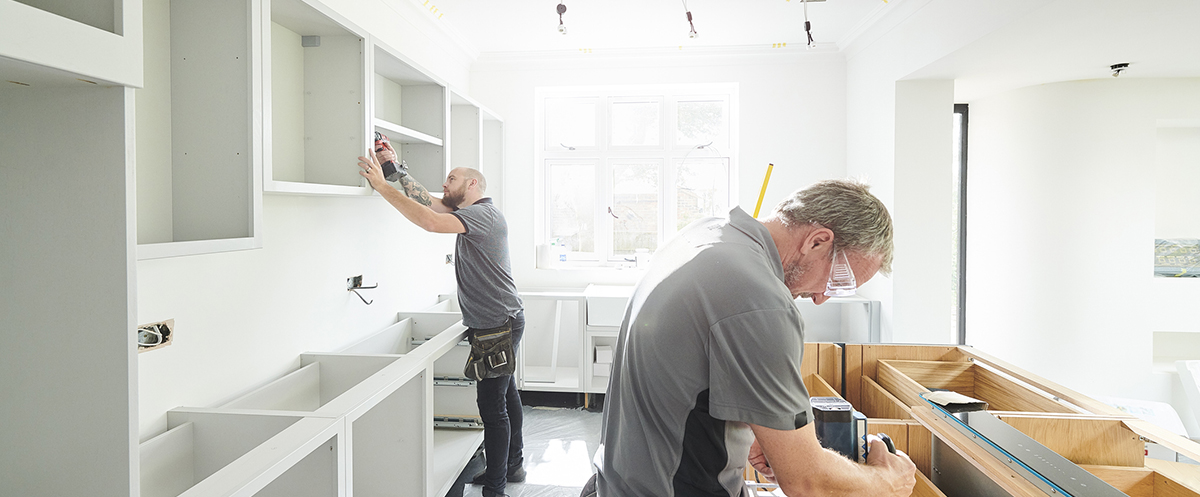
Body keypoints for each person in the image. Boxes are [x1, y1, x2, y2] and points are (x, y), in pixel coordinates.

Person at [593, 180, 917, 497]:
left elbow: (688, 367)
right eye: (839, 281)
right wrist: (888, 480)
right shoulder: (761, 301)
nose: (822, 298)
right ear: (817, 241)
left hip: (618, 481)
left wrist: (761, 422)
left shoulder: (706, 234)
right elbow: (807, 482)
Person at [359, 149, 525, 497]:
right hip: (498, 321)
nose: (444, 185)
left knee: (492, 408)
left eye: (451, 179)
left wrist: (380, 187)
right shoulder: (471, 213)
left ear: (472, 183)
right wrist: (393, 168)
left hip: (496, 325)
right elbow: (430, 203)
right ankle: (513, 464)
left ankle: (496, 488)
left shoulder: (484, 215)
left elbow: (430, 221)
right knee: (506, 394)